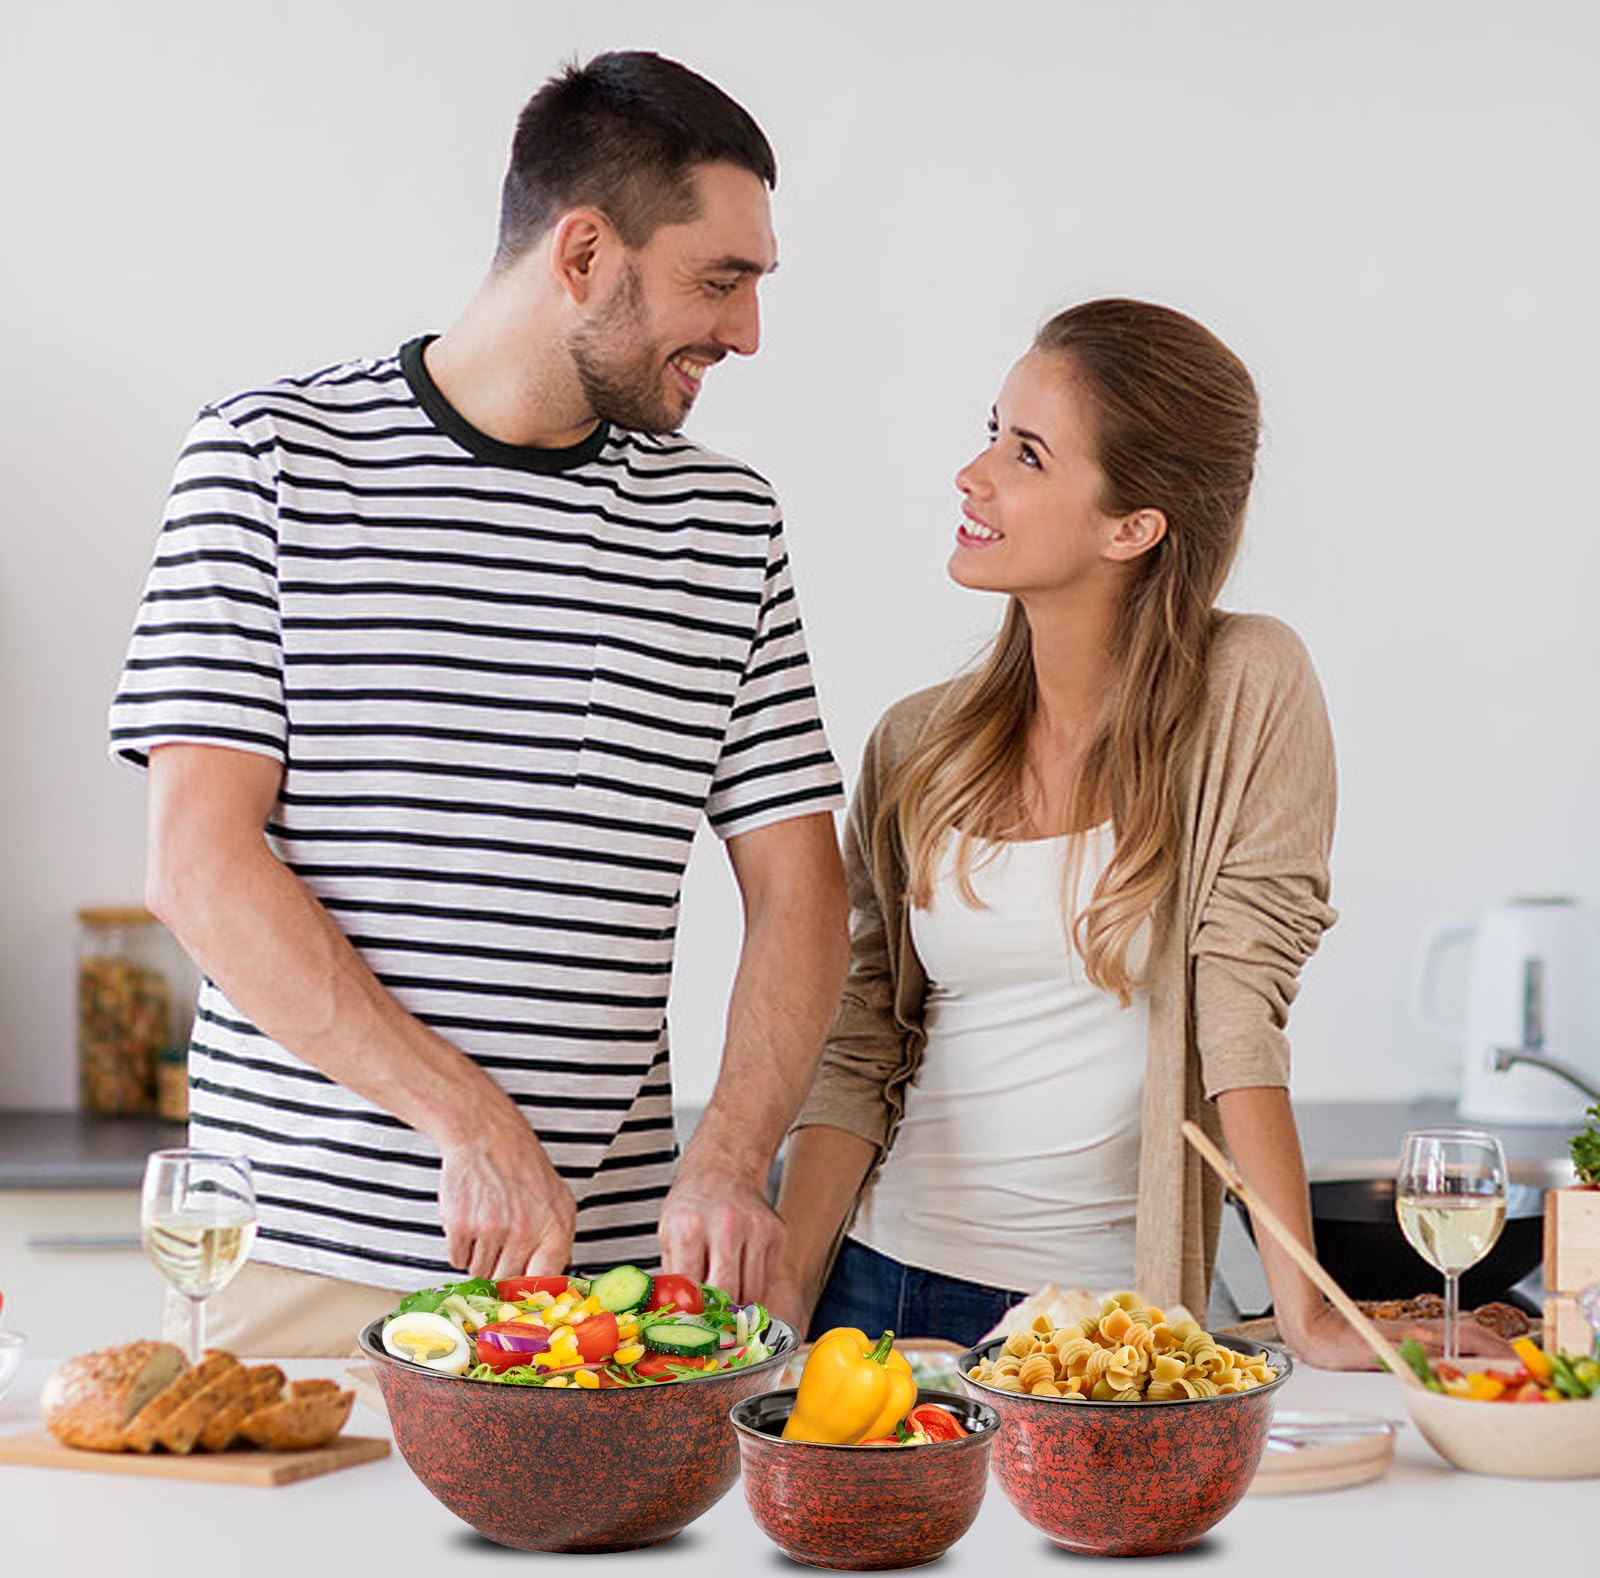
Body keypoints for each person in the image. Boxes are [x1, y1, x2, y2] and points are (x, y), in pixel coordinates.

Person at [109, 51, 849, 1356]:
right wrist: (473, 1124)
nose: (746, 334)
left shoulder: (725, 526)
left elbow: (800, 891)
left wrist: (729, 1160)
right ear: (582, 255)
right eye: (718, 279)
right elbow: (197, 863)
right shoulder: (270, 461)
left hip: (606, 1303)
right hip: (302, 1275)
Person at [767, 298, 1501, 1367]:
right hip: (874, 1281)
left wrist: (1304, 1312)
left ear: (1132, 526)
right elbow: (861, 1040)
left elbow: (1238, 1004)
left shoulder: (1248, 687)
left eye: (1025, 454)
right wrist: (785, 1290)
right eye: (989, 431)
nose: (971, 476)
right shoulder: (915, 742)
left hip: (1110, 1316)